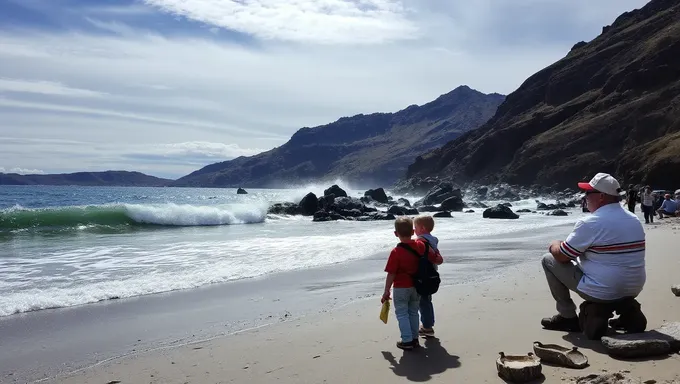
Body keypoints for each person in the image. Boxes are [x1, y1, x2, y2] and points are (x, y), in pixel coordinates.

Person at [540, 172, 646, 333]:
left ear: (602, 196)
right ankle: (627, 309)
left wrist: (554, 244)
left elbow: (562, 256)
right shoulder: (633, 219)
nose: (585, 197)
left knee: (548, 259)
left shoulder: (591, 222)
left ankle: (567, 317)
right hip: (633, 288)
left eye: (588, 193)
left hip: (602, 290)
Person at [381, 217, 443, 350]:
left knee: (402, 313)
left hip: (400, 287)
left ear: (396, 234)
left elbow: (391, 273)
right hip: (416, 286)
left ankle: (407, 340)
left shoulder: (396, 252)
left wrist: (387, 290)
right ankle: (415, 338)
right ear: (413, 231)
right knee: (414, 312)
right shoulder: (420, 245)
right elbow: (436, 258)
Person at [413, 215, 441, 338]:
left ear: (422, 228)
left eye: (415, 228)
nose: (414, 230)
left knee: (422, 301)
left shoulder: (420, 241)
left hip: (423, 274)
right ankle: (428, 324)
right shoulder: (433, 240)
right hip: (432, 272)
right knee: (427, 300)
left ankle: (427, 327)